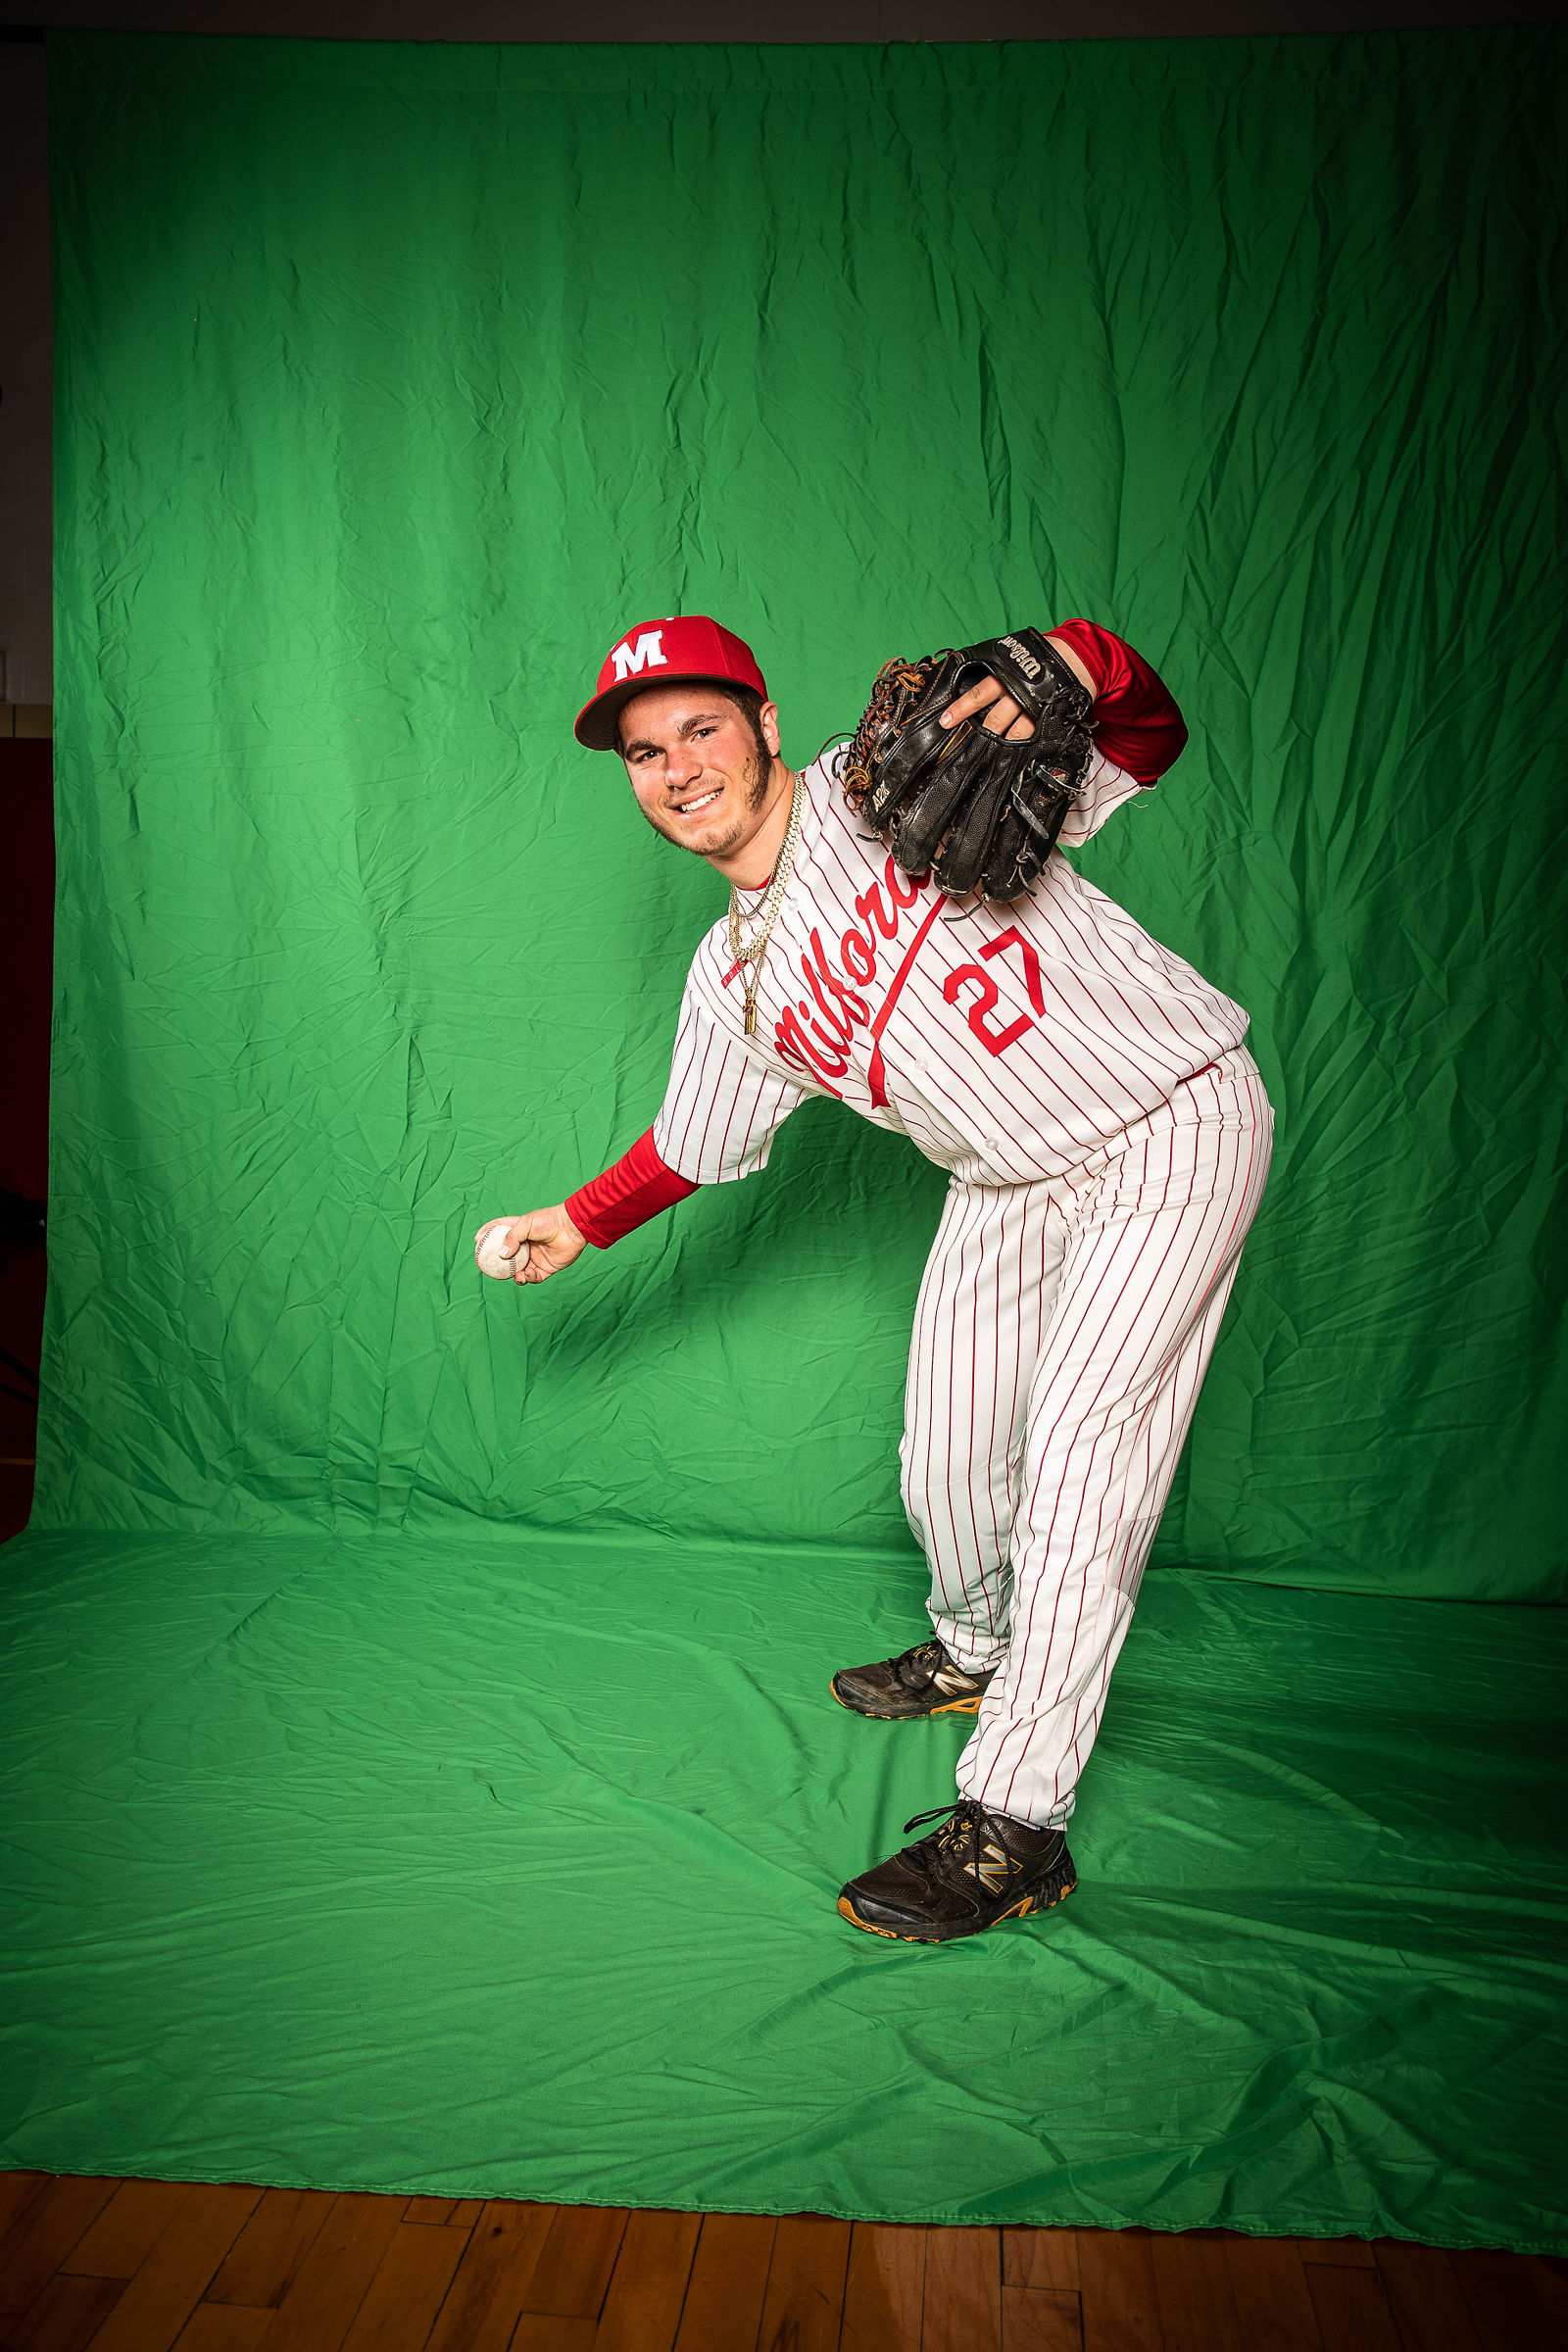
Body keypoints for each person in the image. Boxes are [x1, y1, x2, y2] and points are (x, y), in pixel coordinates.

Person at [477, 612, 1272, 1943]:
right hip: (1006, 1178)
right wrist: (579, 1220)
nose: (677, 769)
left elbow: (1148, 739)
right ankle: (976, 1647)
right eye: (644, 752)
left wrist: (1085, 660)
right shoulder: (731, 977)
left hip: (1168, 1123)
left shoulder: (889, 780)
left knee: (1080, 1460)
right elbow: (693, 1138)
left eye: (701, 729)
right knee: (944, 1462)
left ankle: (1016, 1826)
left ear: (766, 726)